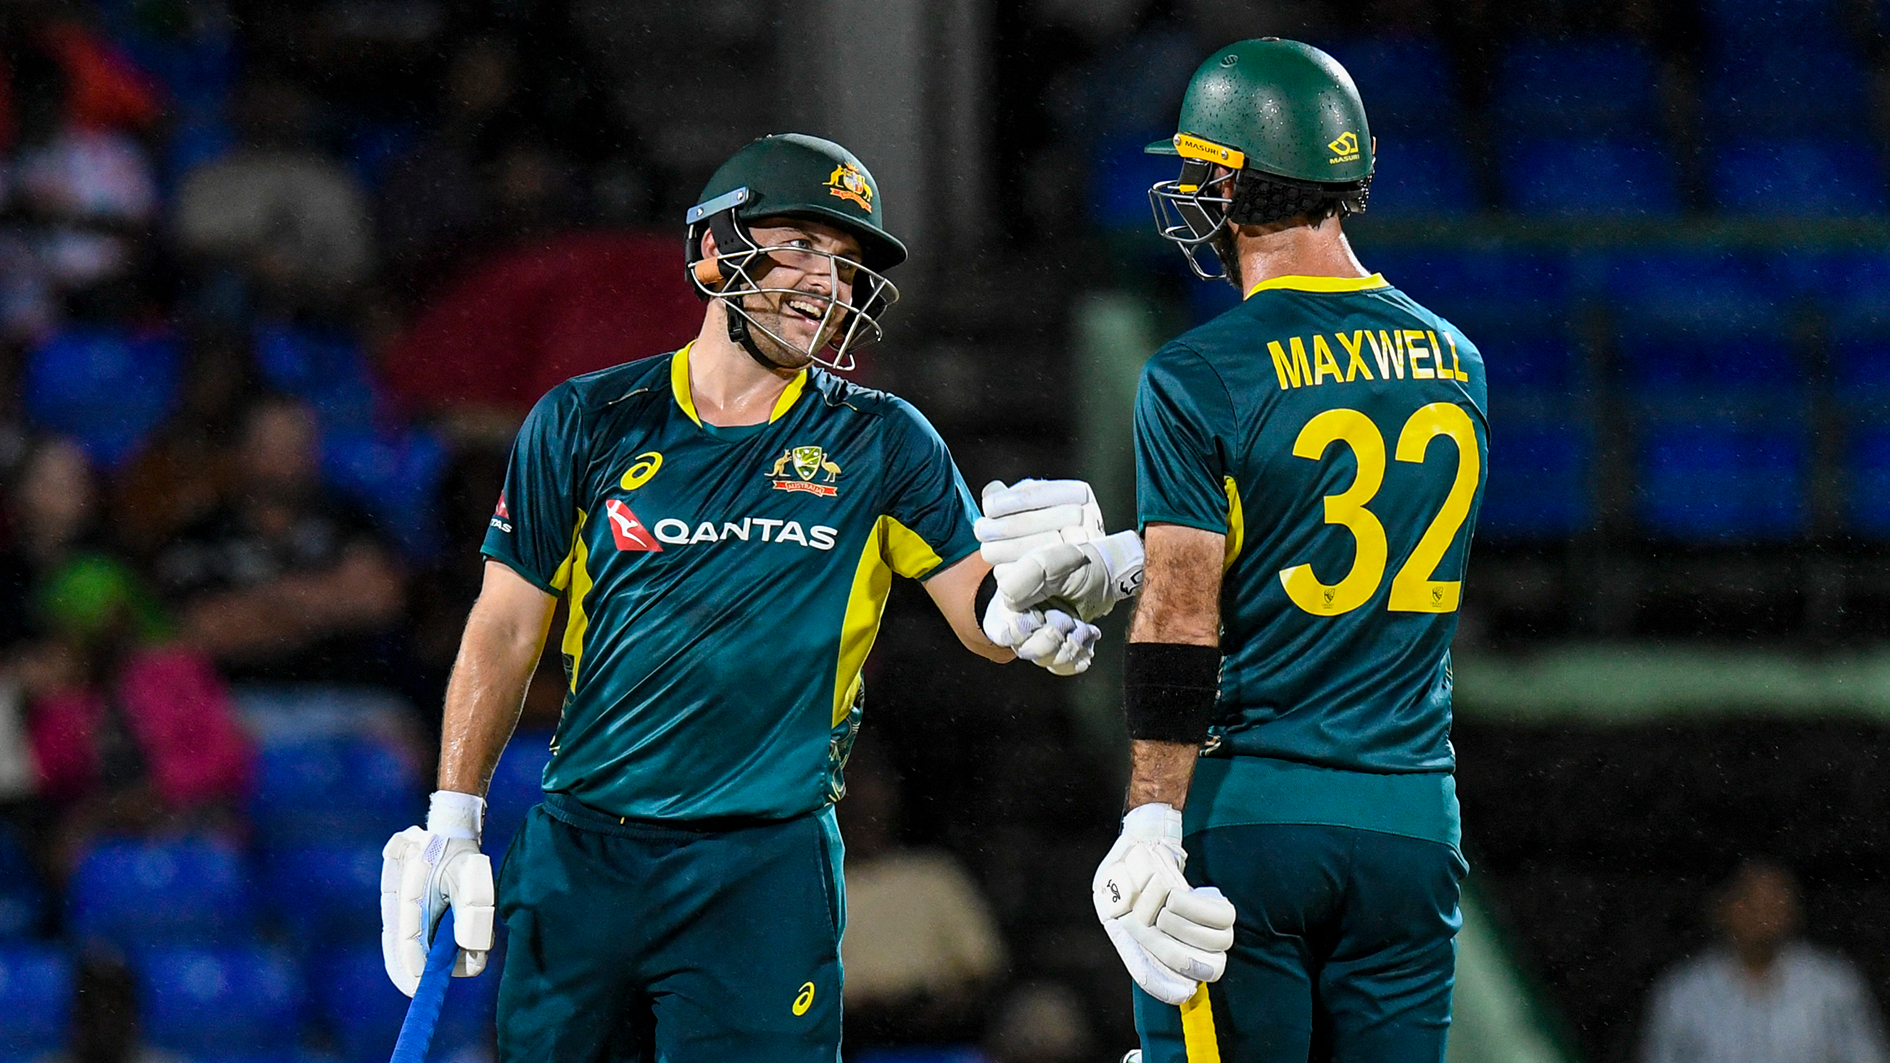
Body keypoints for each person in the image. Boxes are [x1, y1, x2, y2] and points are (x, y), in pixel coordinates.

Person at [378, 133, 1099, 1063]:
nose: (826, 281)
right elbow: (505, 629)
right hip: (585, 855)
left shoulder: (883, 439)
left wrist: (1029, 612)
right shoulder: (585, 419)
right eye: (800, 244)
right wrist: (453, 817)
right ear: (715, 250)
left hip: (765, 868)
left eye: (845, 262)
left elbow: (982, 612)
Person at [988, 38, 1488, 1063]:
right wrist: (1132, 557)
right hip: (1411, 822)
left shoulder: (1199, 372)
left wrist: (1149, 823)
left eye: (1199, 174)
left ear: (1232, 183)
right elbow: (1318, 535)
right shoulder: (1458, 360)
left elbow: (1184, 615)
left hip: (1254, 814)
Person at [1640, 859, 1889, 1063]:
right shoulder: (1684, 991)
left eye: (1776, 899)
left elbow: (1867, 1056)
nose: (1765, 912)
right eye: (1751, 900)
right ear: (1721, 908)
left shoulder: (1831, 983)